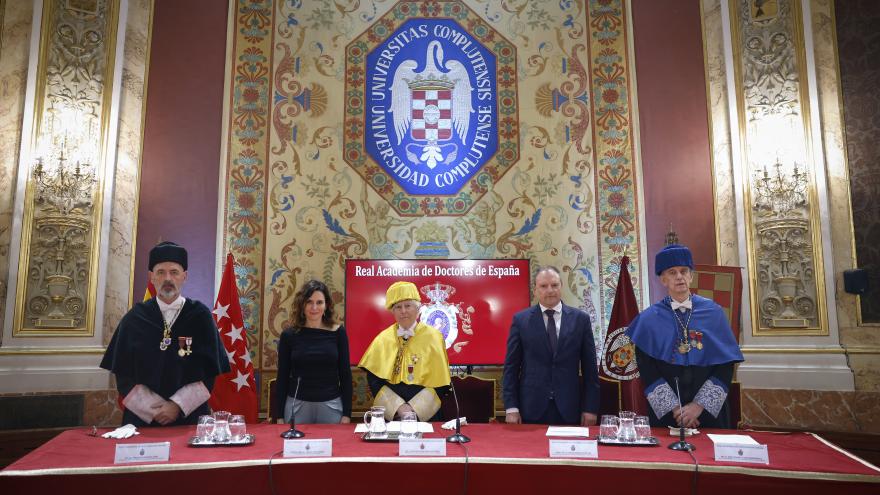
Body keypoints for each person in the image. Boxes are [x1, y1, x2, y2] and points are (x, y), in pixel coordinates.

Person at [100, 242, 230, 426]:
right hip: (142, 420)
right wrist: (155, 408)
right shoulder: (134, 318)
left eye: (174, 272)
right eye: (161, 272)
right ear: (151, 277)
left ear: (185, 276)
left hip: (189, 418)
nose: (167, 278)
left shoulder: (200, 316)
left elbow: (209, 373)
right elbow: (123, 376)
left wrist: (176, 406)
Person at [626, 244, 744, 429]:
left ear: (691, 276)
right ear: (663, 280)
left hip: (709, 412)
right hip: (668, 415)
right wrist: (676, 410)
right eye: (672, 272)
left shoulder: (714, 313)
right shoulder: (649, 319)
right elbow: (647, 369)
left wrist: (697, 407)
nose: (679, 276)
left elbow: (725, 365)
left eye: (683, 271)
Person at [503, 266, 600, 426]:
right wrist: (511, 407)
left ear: (561, 287)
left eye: (554, 285)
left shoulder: (580, 320)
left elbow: (590, 368)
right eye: (543, 286)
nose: (550, 290)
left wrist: (590, 408)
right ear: (535, 290)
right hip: (531, 407)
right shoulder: (521, 321)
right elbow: (511, 367)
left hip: (570, 408)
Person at [358, 281, 451, 422]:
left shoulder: (434, 337)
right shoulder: (383, 339)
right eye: (398, 307)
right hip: (392, 415)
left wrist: (415, 409)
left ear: (418, 308)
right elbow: (374, 380)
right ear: (392, 311)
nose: (403, 311)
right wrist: (399, 408)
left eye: (408, 305)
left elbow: (442, 382)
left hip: (426, 415)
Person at [273, 280, 352, 424]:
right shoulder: (288, 335)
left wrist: (347, 414)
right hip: (296, 406)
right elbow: (282, 377)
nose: (314, 307)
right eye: (309, 302)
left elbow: (345, 375)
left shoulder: (338, 332)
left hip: (332, 406)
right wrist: (279, 416)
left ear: (327, 305)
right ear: (302, 304)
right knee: (294, 447)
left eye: (319, 302)